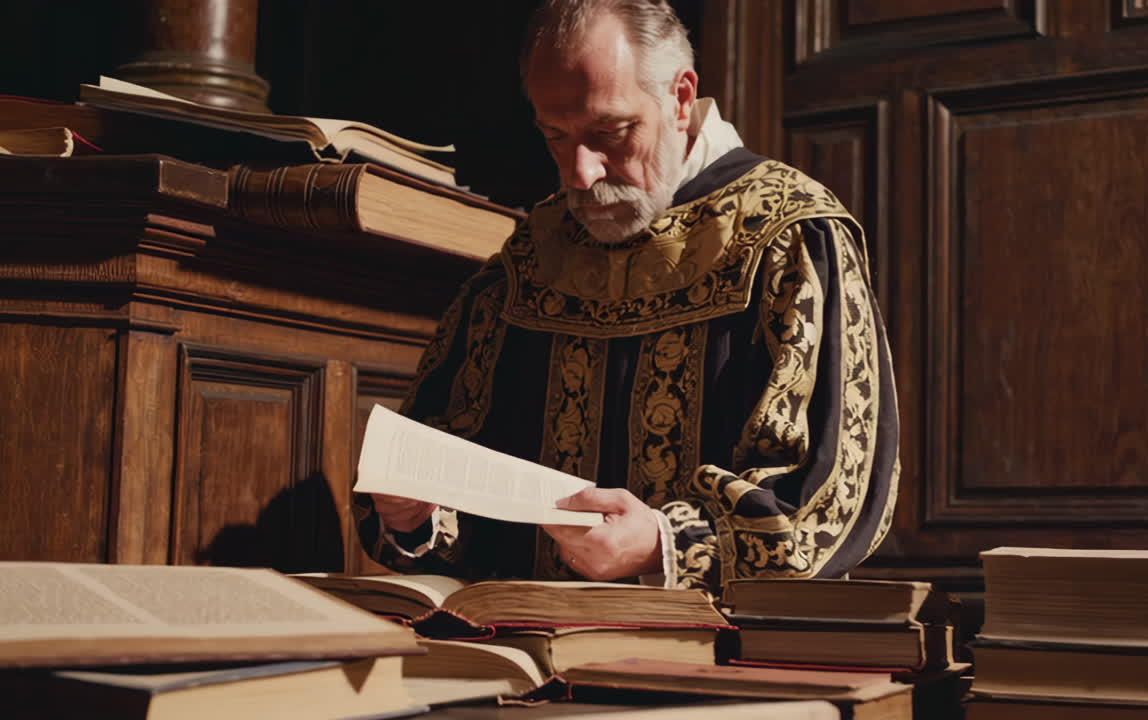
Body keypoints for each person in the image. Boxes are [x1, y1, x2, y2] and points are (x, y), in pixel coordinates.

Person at [354, 0, 899, 594]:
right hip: (523, 640)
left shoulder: (788, 235)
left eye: (608, 133)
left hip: (717, 655)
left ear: (681, 98)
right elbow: (451, 465)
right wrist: (417, 515)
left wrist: (668, 544)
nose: (580, 174)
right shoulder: (529, 258)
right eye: (555, 136)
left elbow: (833, 491)